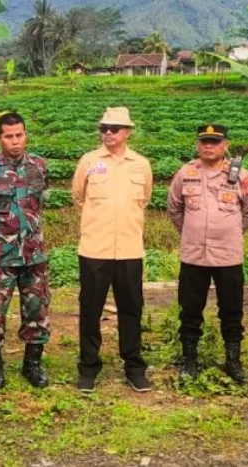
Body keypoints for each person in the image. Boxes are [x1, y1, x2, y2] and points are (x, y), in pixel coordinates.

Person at [167, 123, 248, 384]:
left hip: (228, 256)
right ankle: (189, 360)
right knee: (190, 310)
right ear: (197, 145)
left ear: (225, 145)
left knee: (231, 310)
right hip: (194, 256)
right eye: (204, 141)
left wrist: (226, 232)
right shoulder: (186, 173)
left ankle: (233, 361)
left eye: (215, 142)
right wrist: (192, 233)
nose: (209, 146)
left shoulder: (240, 176)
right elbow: (174, 209)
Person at [71, 107, 154, 393]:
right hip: (95, 248)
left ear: (127, 132)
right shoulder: (89, 162)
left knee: (131, 309)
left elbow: (143, 199)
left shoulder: (141, 164)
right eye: (104, 128)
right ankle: (88, 367)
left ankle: (133, 366)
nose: (108, 133)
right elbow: (79, 197)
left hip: (130, 249)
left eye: (114, 128)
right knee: (90, 309)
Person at [0, 112, 51, 391]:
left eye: (20, 135)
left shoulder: (39, 166)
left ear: (25, 134)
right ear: (0, 138)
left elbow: (39, 204)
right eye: (9, 136)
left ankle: (33, 364)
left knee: (37, 308)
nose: (15, 141)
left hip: (33, 253)